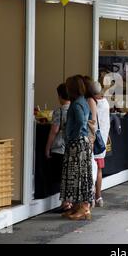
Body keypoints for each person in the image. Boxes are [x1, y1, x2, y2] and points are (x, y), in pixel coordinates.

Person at [61, 75, 93, 220]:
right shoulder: (83, 101)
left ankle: (83, 209)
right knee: (80, 174)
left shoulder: (76, 104)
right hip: (82, 142)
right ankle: (77, 207)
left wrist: (72, 135)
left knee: (77, 175)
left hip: (77, 143)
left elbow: (81, 121)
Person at [45, 83, 71, 212]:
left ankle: (65, 203)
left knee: (62, 177)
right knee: (69, 175)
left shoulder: (59, 111)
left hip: (60, 147)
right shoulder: (75, 108)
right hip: (71, 148)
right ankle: (69, 201)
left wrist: (48, 147)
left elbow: (54, 131)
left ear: (60, 96)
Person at [92, 81, 110, 208]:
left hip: (95, 140)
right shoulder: (105, 102)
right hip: (102, 139)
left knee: (92, 168)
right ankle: (99, 197)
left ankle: (92, 197)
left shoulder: (94, 103)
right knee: (99, 168)